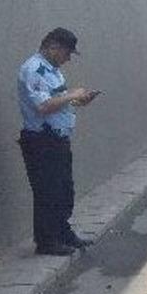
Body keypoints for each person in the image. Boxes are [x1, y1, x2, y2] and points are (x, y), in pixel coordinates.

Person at [17, 28, 100, 256]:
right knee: (47, 192)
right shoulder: (33, 69)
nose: (68, 58)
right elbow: (42, 106)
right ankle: (46, 242)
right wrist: (73, 94)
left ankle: (63, 233)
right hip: (41, 140)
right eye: (67, 53)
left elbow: (58, 102)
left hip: (58, 139)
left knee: (64, 191)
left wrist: (80, 100)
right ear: (53, 46)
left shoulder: (53, 71)